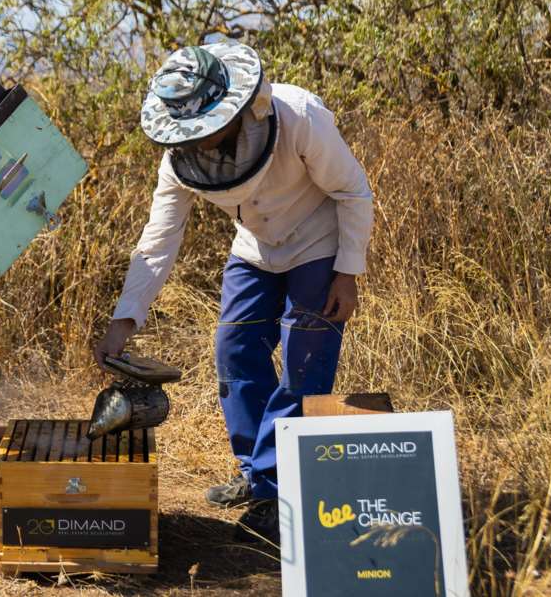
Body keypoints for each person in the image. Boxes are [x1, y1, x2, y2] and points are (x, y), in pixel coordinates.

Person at [93, 39, 373, 544]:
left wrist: (347, 273)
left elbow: (353, 191)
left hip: (318, 238)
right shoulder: (180, 159)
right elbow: (159, 239)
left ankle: (274, 483)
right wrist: (124, 319)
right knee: (233, 350)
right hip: (255, 246)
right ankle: (258, 477)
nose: (198, 141)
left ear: (234, 106)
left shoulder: (299, 116)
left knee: (303, 358)